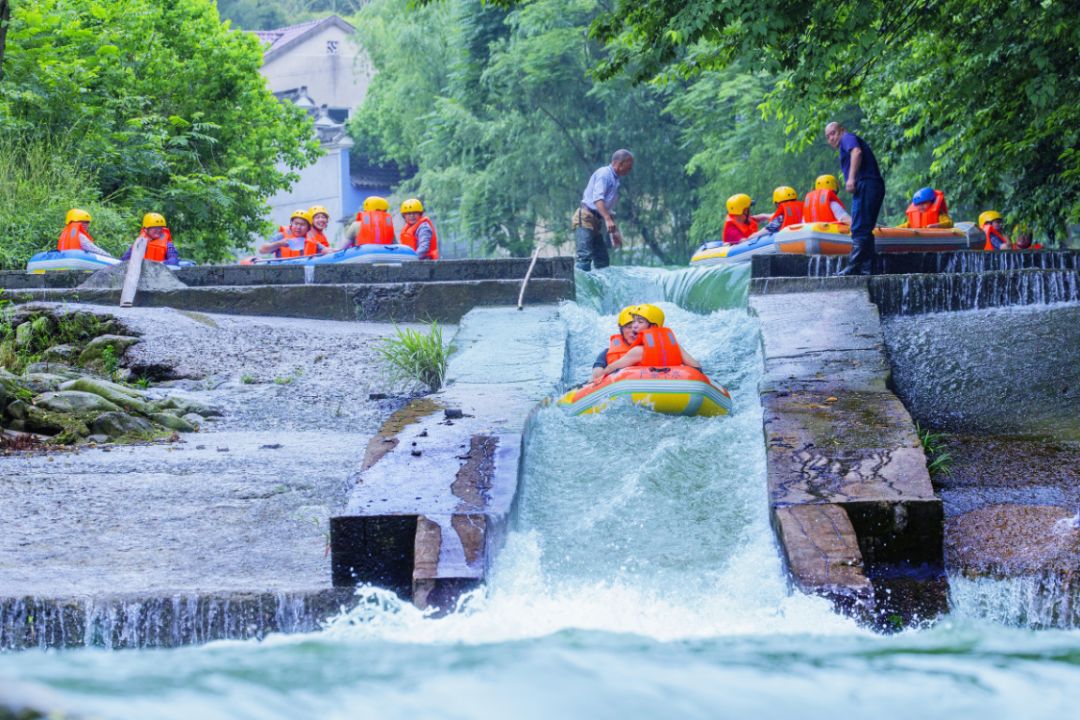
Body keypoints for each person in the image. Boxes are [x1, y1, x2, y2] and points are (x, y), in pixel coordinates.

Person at [825, 121, 886, 275]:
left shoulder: (847, 138)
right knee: (865, 229)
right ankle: (867, 269)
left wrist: (851, 179)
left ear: (842, 130)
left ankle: (852, 267)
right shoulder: (844, 144)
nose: (831, 138)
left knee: (858, 227)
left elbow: (856, 152)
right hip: (872, 185)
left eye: (833, 133)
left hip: (866, 184)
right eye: (828, 136)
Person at [598, 304, 702, 377]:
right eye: (634, 322)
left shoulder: (638, 351)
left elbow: (610, 369)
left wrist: (595, 381)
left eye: (640, 322)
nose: (634, 325)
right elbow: (696, 367)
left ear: (653, 326)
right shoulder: (675, 346)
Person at [572, 149, 634, 271]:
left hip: (595, 221)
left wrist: (613, 231)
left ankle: (599, 289)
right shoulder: (604, 174)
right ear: (620, 163)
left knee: (602, 261)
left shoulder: (615, 180)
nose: (630, 169)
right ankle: (576, 287)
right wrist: (607, 219)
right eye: (629, 165)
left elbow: (607, 207)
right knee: (584, 258)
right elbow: (597, 199)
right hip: (585, 217)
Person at [591, 306, 637, 381]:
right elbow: (596, 376)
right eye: (628, 327)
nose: (633, 331)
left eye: (636, 328)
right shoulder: (606, 354)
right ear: (621, 328)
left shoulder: (650, 351)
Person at [259, 209, 325, 258]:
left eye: (302, 225)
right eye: (296, 224)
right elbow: (262, 250)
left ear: (308, 228)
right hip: (283, 272)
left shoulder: (312, 240)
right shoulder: (281, 237)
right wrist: (279, 243)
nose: (298, 227)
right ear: (291, 224)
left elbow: (325, 250)